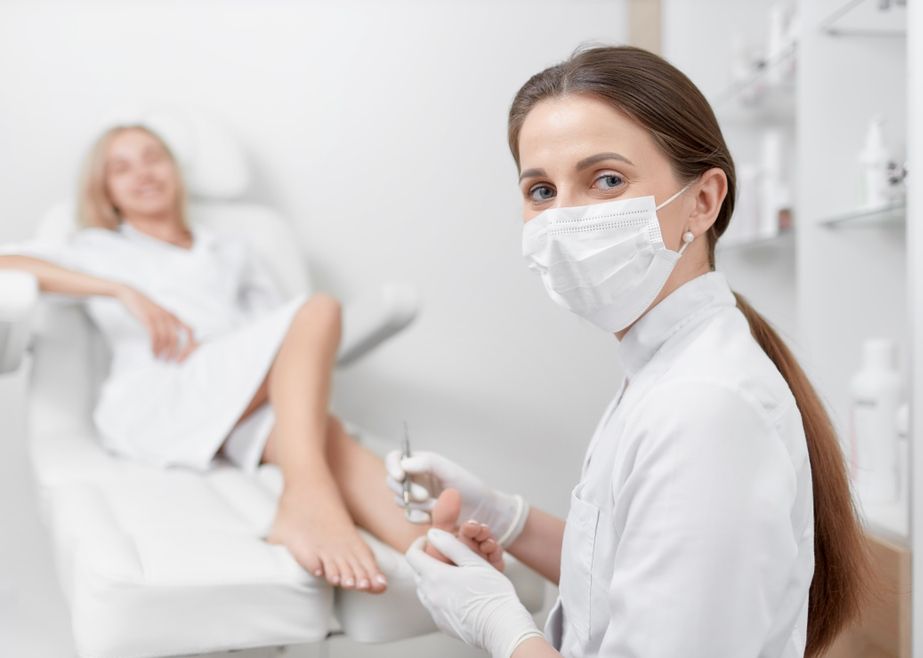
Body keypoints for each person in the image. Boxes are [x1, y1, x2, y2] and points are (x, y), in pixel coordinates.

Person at [386, 46, 871, 657]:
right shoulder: (666, 369)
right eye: (540, 190)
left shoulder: (703, 409)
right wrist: (509, 520)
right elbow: (638, 576)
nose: (562, 221)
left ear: (703, 200)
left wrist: (501, 629)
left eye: (606, 180)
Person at [0, 125, 500, 594]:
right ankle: (306, 499)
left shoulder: (231, 250)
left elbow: (284, 343)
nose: (143, 173)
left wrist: (250, 365)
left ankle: (441, 558)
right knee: (318, 310)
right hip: (160, 399)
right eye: (122, 167)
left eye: (153, 158)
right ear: (105, 190)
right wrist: (118, 287)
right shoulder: (97, 248)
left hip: (232, 395)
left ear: (175, 171)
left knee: (314, 431)